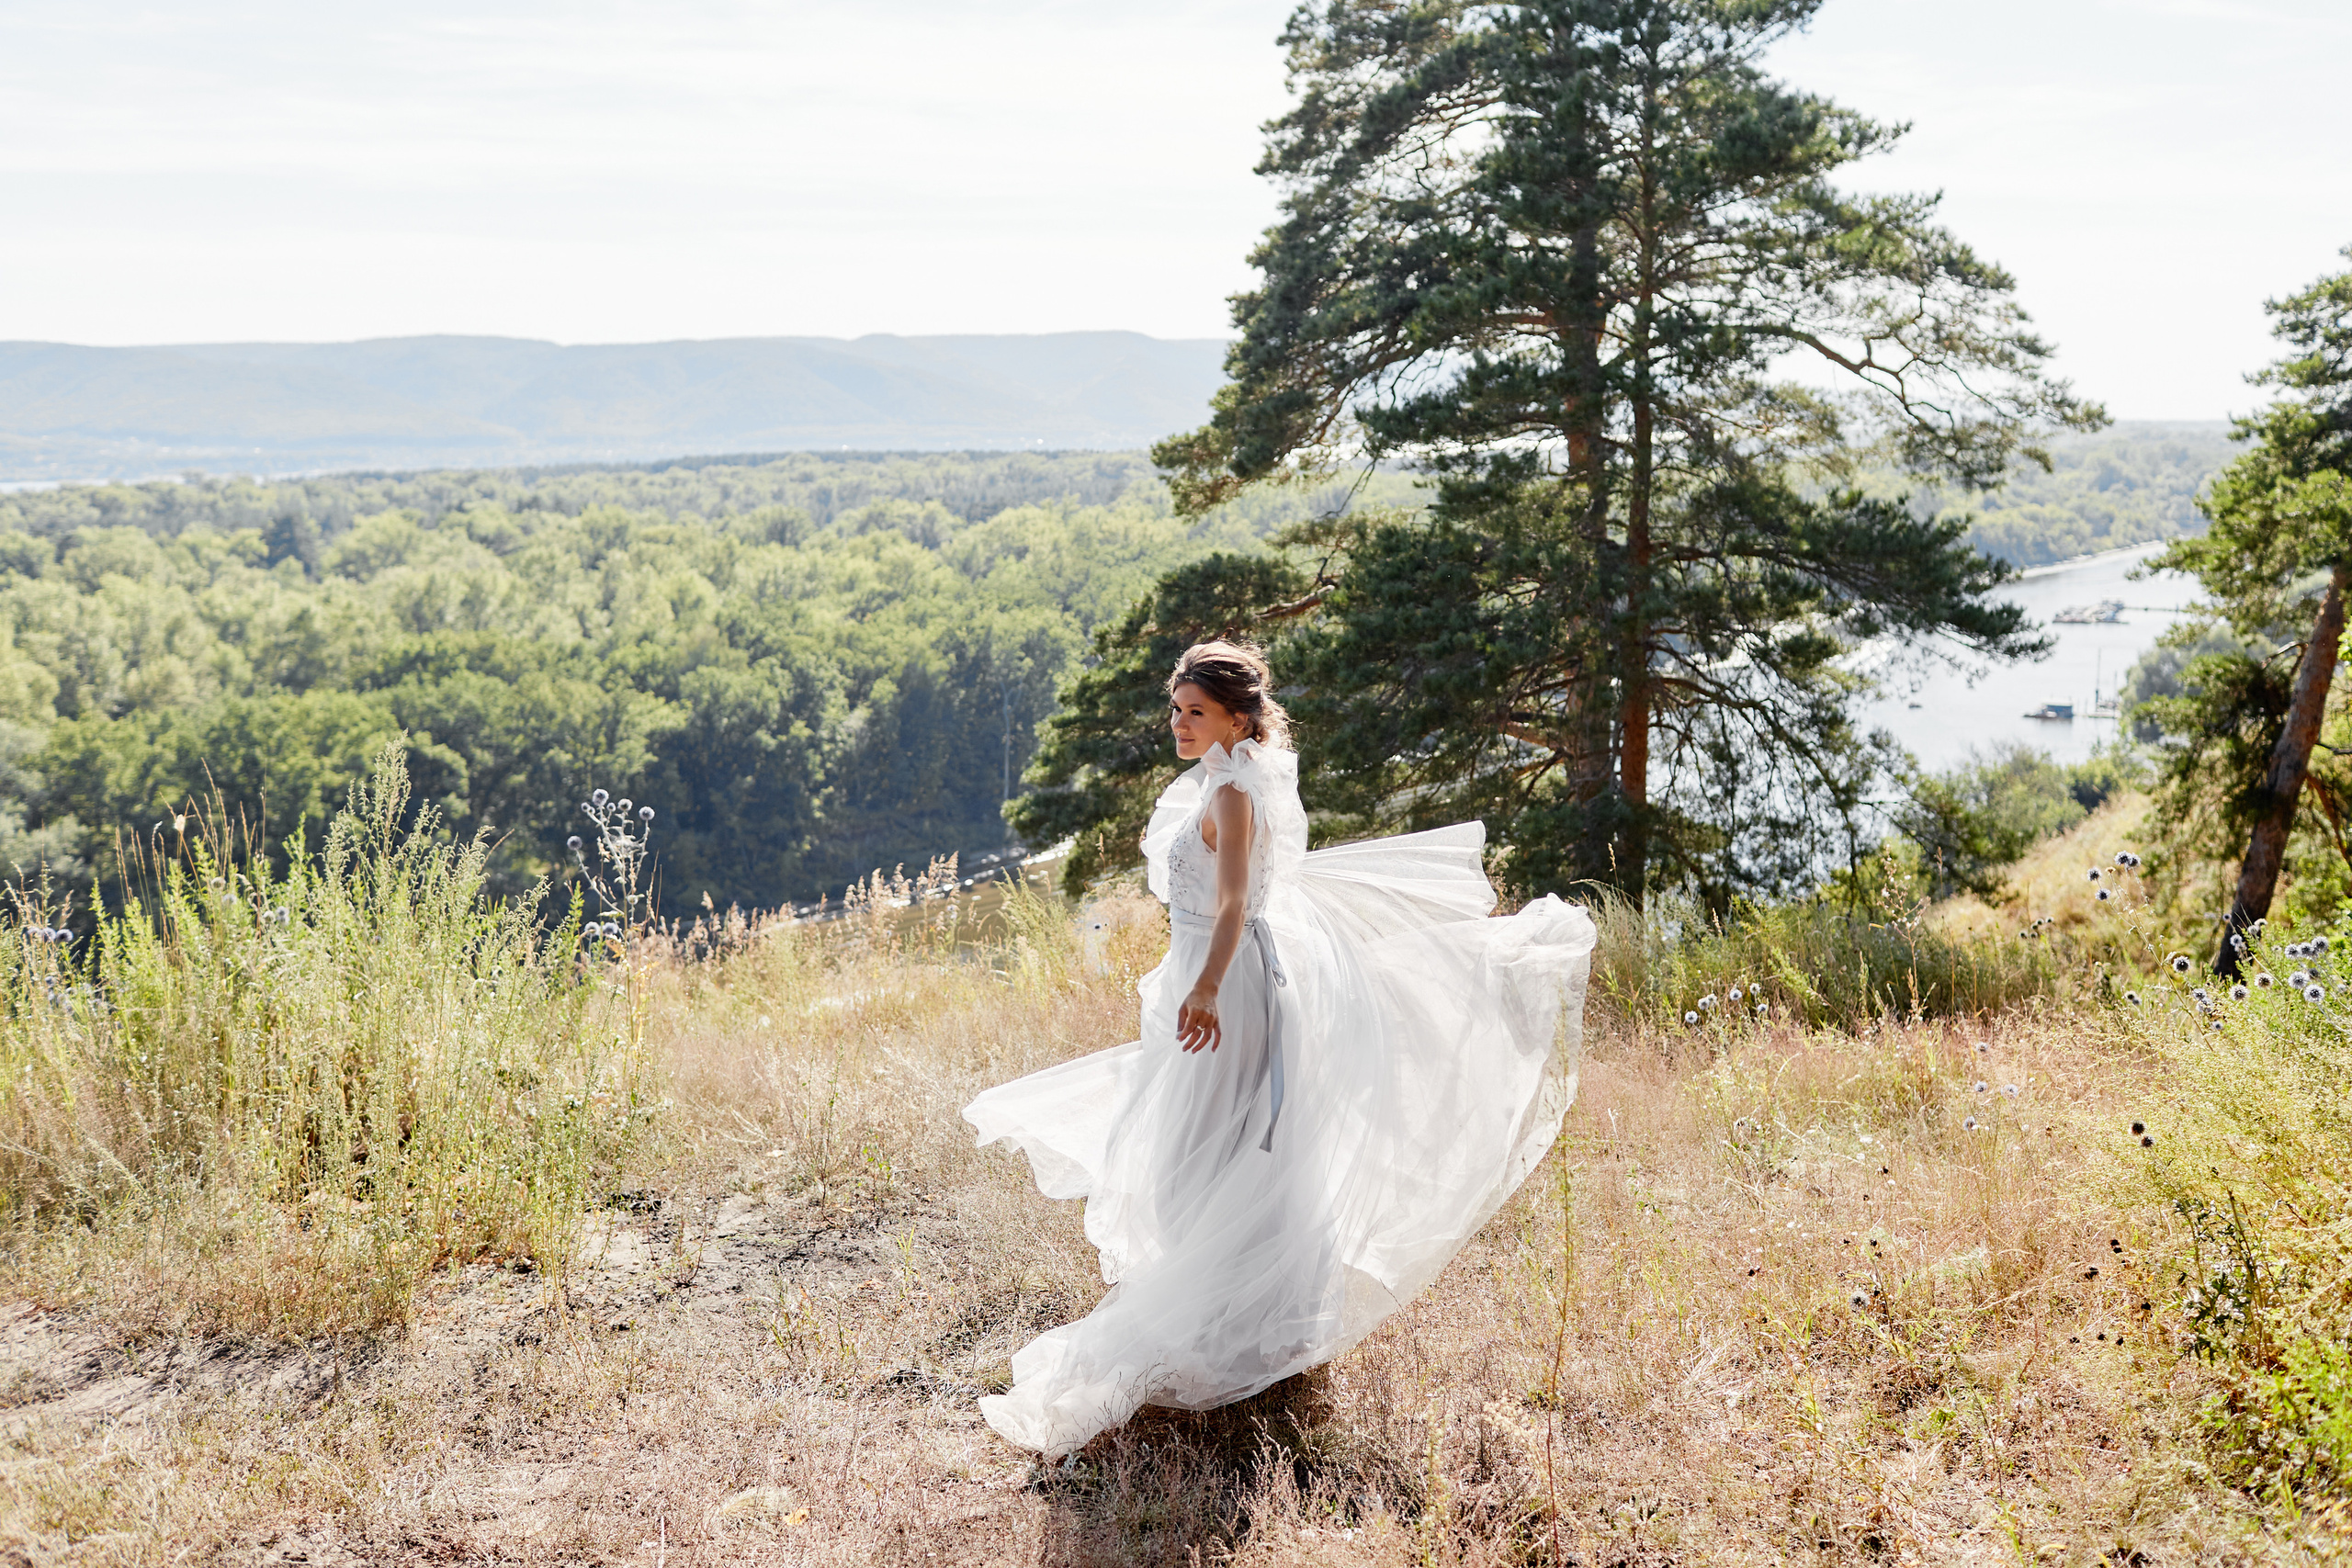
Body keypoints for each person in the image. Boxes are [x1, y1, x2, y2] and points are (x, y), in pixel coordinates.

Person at [963, 640, 1595, 1458]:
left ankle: (1226, 1324)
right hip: (1218, 976)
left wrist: (1206, 988)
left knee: (1201, 1150)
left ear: (1238, 717)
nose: (1179, 724)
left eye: (1196, 712)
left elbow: (1233, 906)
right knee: (1210, 1149)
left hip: (1223, 984)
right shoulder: (1227, 780)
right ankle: (1241, 1319)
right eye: (1177, 710)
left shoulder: (1231, 792)